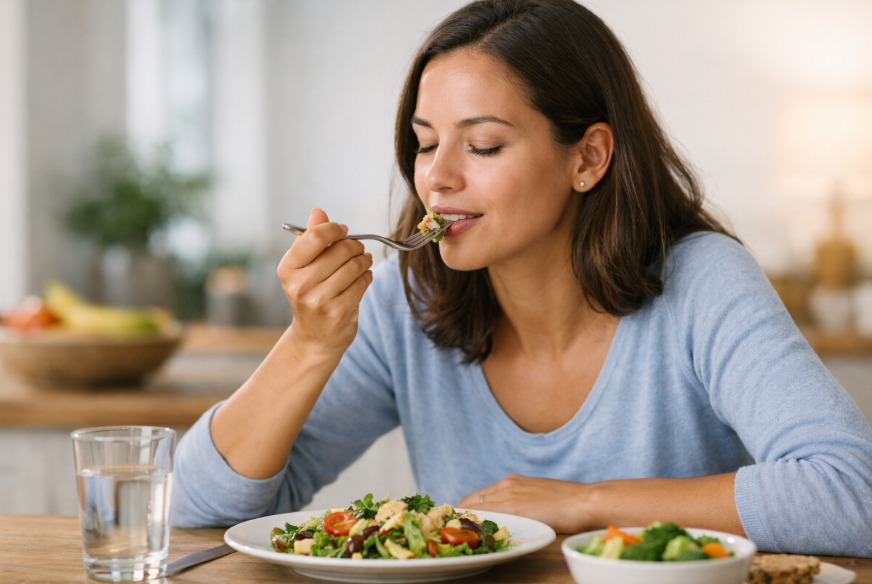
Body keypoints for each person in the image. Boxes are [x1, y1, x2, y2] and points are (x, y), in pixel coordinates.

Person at [170, 0, 872, 556]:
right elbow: (199, 507)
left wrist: (582, 502)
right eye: (423, 143)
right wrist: (309, 345)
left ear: (588, 158)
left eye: (482, 145)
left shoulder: (704, 283)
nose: (437, 178)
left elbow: (851, 494)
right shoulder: (407, 300)